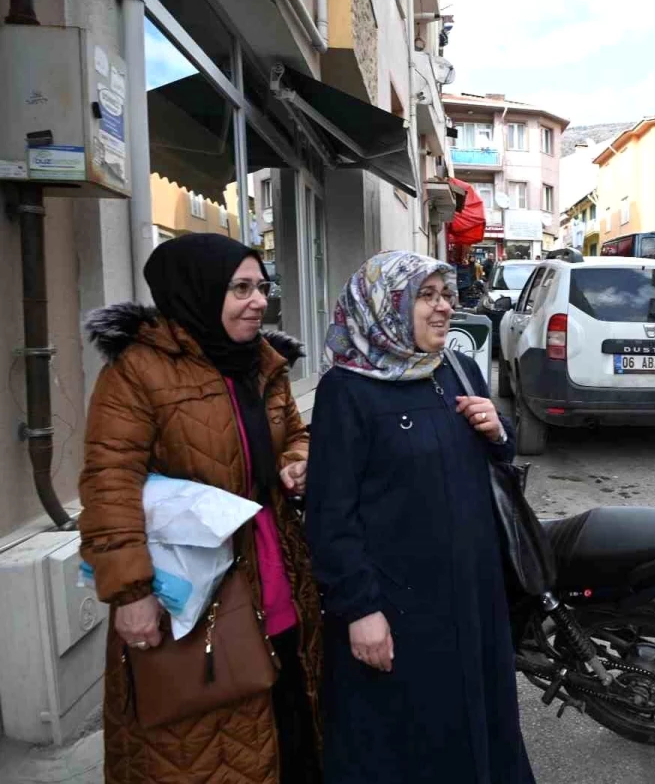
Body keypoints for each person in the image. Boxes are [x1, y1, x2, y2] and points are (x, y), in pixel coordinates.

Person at [78, 233, 322, 784]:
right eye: (240, 288)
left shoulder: (265, 365)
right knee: (198, 743)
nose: (259, 300)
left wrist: (298, 460)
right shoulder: (139, 372)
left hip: (275, 571)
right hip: (190, 593)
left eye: (262, 287)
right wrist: (132, 593)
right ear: (197, 291)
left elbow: (296, 435)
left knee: (288, 719)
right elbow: (110, 482)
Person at [306, 251, 534, 784]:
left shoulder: (456, 367)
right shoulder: (347, 390)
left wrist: (498, 432)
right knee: (409, 738)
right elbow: (330, 515)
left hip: (473, 595)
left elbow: (495, 460)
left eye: (445, 295)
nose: (443, 309)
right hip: (400, 609)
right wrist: (360, 610)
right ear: (385, 307)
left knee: (480, 720)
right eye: (425, 297)